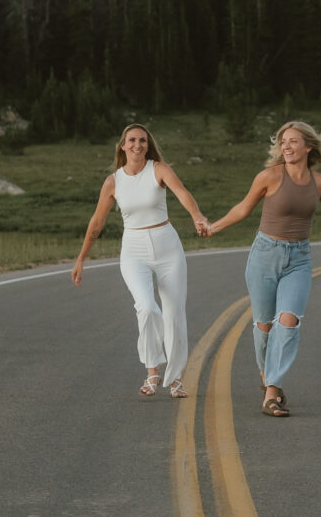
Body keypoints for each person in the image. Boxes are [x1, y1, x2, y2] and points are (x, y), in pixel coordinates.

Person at [203, 119, 321, 417]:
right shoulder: (269, 176)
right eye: (283, 142)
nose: (287, 146)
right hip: (265, 255)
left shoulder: (320, 183)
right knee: (264, 325)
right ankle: (268, 378)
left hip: (299, 258)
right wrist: (214, 227)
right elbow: (243, 208)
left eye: (293, 141)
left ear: (308, 147)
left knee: (289, 321)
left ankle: (271, 390)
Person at [72, 124, 214, 397]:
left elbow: (183, 193)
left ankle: (175, 379)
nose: (137, 145)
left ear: (147, 146)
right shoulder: (113, 181)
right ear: (123, 146)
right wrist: (81, 259)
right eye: (132, 140)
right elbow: (96, 223)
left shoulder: (158, 169)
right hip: (134, 250)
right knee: (147, 308)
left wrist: (198, 217)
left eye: (142, 141)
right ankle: (152, 371)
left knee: (174, 314)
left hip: (167, 247)